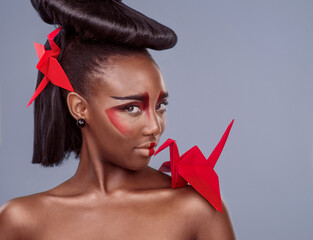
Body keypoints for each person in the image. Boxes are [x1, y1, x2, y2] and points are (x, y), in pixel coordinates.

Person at [0, 0, 236, 239]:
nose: (155, 127)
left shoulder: (197, 209)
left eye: (160, 106)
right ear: (79, 108)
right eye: (132, 108)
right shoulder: (22, 220)